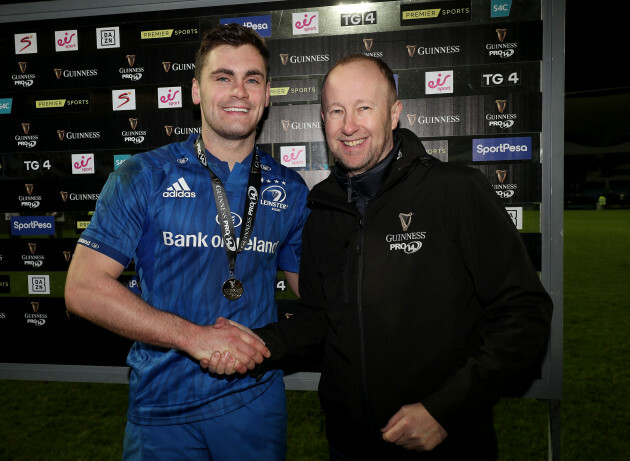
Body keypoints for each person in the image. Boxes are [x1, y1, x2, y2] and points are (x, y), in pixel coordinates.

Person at [209, 54, 553, 460]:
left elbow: (525, 313)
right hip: (348, 446)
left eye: (363, 108)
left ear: (394, 114)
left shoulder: (456, 192)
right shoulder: (322, 209)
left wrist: (446, 410)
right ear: (323, 120)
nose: (349, 125)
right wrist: (257, 343)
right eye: (336, 111)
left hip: (448, 442)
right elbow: (319, 318)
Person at [64, 24, 310, 461]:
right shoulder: (142, 176)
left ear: (268, 94)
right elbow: (82, 290)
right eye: (223, 77)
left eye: (252, 78)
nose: (239, 91)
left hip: (254, 402)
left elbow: (316, 293)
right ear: (196, 90)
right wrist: (192, 337)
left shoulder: (289, 188)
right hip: (161, 406)